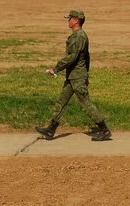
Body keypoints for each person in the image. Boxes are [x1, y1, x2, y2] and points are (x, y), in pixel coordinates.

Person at [36, 10, 111, 141]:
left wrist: (56, 68)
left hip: (77, 77)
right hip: (73, 76)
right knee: (62, 101)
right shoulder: (77, 36)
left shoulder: (79, 37)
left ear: (76, 20)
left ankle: (104, 130)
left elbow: (72, 57)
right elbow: (86, 57)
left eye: (70, 18)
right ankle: (50, 129)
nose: (68, 20)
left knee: (86, 104)